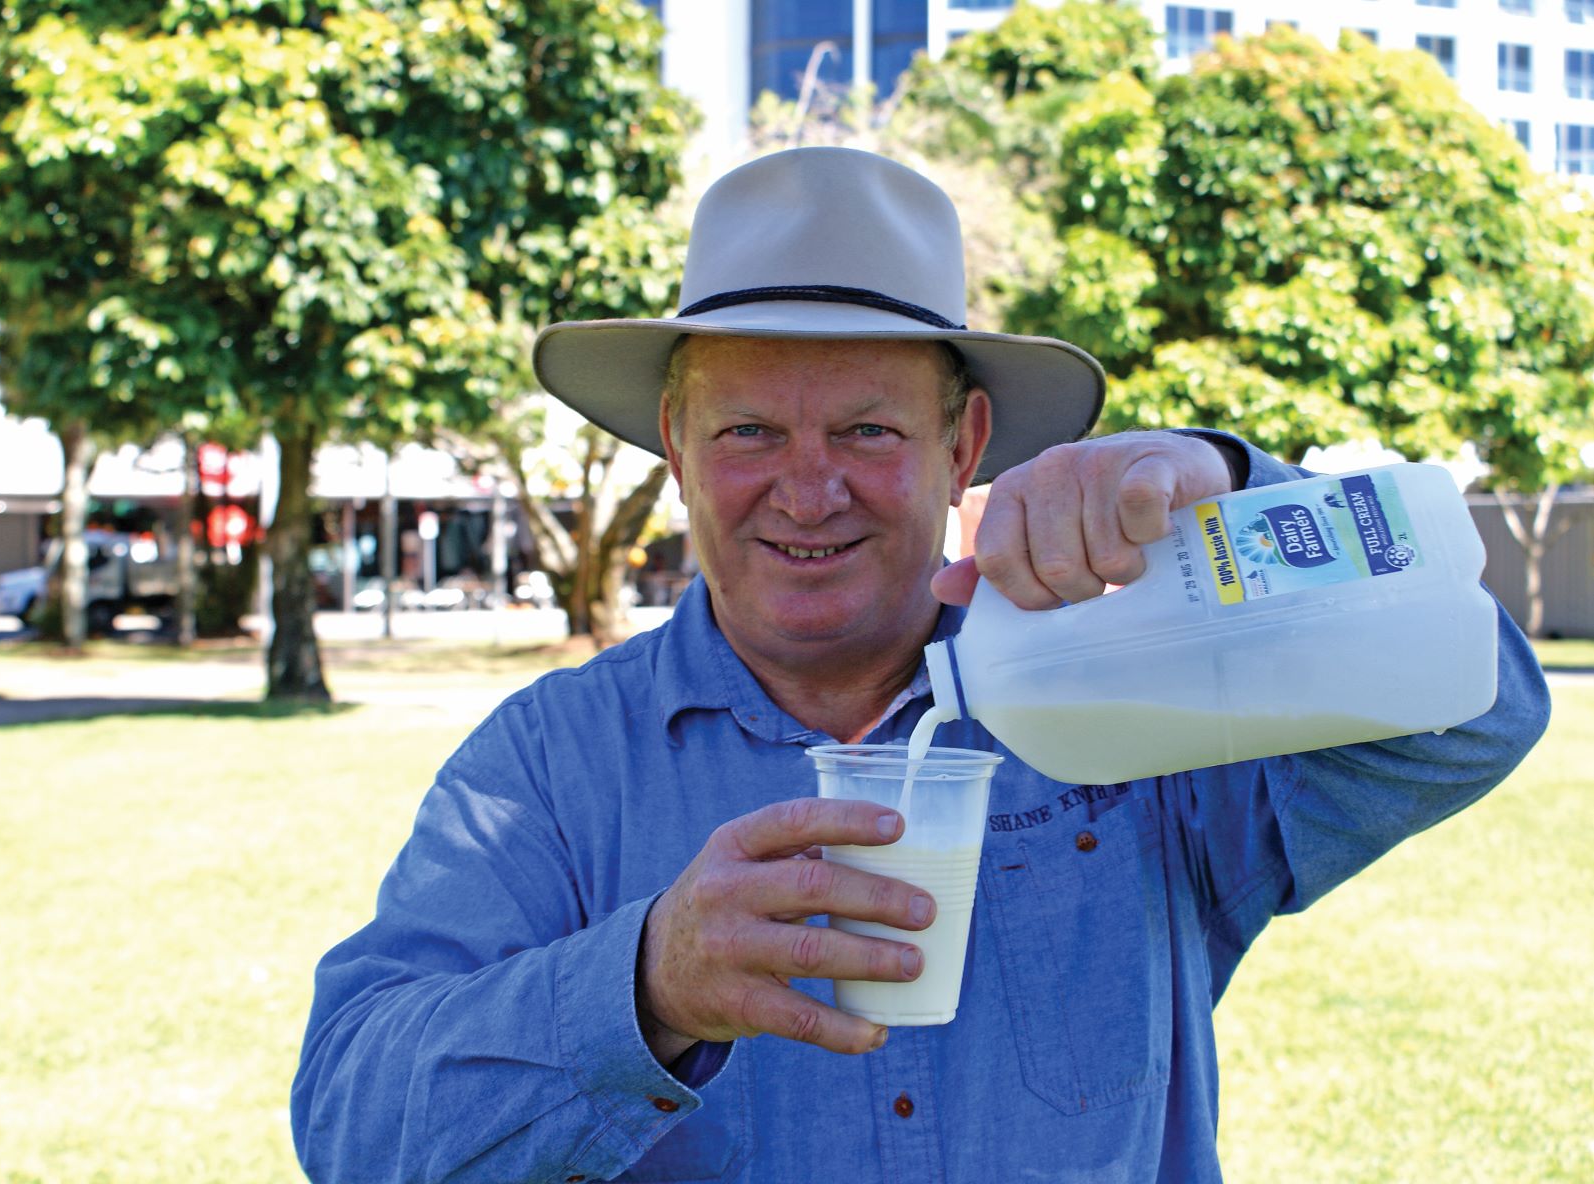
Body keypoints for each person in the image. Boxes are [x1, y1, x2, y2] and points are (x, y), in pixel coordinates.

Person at [291, 148, 1549, 1183]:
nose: (807, 487)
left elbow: (1476, 704)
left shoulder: (1133, 702)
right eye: (745, 430)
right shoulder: (548, 765)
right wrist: (646, 978)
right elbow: (348, 1122)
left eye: (867, 429)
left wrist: (1227, 493)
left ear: (966, 444)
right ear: (673, 445)